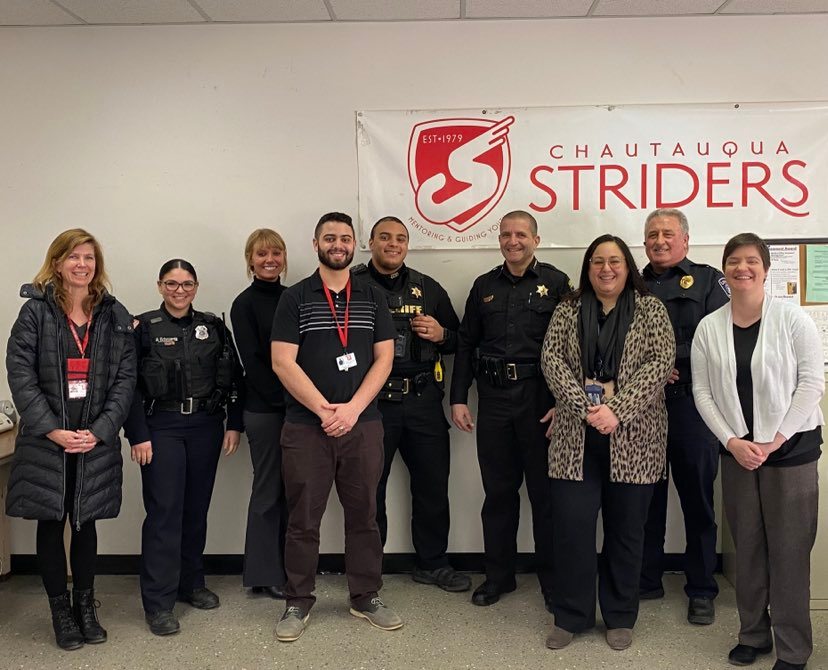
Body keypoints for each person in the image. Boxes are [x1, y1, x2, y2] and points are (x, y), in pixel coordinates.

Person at [691, 233, 823, 670]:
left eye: (751, 261)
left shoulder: (793, 320)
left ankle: (793, 649)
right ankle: (752, 635)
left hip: (791, 452)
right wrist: (732, 441)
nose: (741, 268)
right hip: (738, 453)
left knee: (788, 554)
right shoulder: (710, 326)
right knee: (746, 550)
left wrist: (775, 439)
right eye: (733, 261)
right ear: (724, 270)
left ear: (765, 269)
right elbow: (702, 391)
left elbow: (811, 384)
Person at [540, 234, 674, 652]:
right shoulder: (567, 308)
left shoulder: (650, 308)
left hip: (635, 437)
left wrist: (617, 410)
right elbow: (551, 360)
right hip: (574, 438)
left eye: (614, 261)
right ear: (588, 267)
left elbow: (660, 361)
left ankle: (619, 616)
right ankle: (572, 616)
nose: (606, 269)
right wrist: (586, 408)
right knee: (572, 530)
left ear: (627, 265)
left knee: (626, 532)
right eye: (598, 261)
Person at [271, 212, 400, 642]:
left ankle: (365, 596)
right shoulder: (295, 298)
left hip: (363, 426)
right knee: (303, 518)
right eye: (330, 238)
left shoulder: (372, 296)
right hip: (307, 427)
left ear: (354, 244)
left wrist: (352, 410)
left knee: (364, 515)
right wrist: (326, 412)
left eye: (345, 238)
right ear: (316, 243)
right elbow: (282, 362)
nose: (338, 244)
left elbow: (384, 358)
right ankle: (298, 600)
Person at [5, 229, 137, 650]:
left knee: (86, 521)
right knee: (51, 521)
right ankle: (60, 610)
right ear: (57, 262)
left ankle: (85, 606)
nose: (82, 265)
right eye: (74, 257)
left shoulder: (112, 314)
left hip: (92, 438)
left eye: (89, 258)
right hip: (49, 439)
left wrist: (98, 431)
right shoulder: (35, 313)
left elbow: (125, 379)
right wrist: (52, 429)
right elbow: (20, 374)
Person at [450, 210, 570, 607]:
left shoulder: (557, 284)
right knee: (498, 493)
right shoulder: (484, 285)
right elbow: (467, 343)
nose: (512, 241)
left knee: (545, 495)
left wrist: (562, 403)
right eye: (505, 235)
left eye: (521, 234)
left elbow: (574, 346)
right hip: (495, 399)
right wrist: (458, 396)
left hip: (540, 401)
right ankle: (498, 577)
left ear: (536, 239)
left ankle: (554, 581)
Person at [124, 259, 244, 636]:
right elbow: (127, 386)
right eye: (172, 284)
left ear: (196, 286)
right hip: (161, 427)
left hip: (206, 426)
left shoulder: (212, 325)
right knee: (164, 512)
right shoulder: (142, 329)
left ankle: (190, 583)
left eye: (187, 284)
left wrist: (234, 424)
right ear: (160, 286)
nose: (180, 291)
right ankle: (158, 602)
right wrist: (137, 434)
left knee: (195, 510)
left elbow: (235, 376)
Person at [352, 216, 469, 592]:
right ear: (371, 242)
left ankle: (433, 564)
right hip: (371, 405)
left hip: (422, 400)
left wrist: (442, 333)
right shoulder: (351, 285)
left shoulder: (427, 287)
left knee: (433, 486)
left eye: (400, 239)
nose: (393, 243)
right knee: (369, 489)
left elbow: (460, 342)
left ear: (407, 246)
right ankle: (369, 570)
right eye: (384, 237)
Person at [639, 208, 730, 624]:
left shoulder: (710, 280)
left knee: (697, 498)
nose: (659, 240)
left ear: (686, 240)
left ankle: (701, 588)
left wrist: (670, 359)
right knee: (645, 497)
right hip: (643, 407)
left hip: (693, 403)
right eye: (652, 234)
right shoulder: (631, 282)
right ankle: (647, 578)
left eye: (667, 233)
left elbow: (724, 336)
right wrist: (651, 367)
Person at [230, 229, 289, 599]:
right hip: (266, 410)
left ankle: (286, 567)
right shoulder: (244, 304)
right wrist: (289, 401)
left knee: (295, 491)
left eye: (276, 253)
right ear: (250, 260)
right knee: (269, 490)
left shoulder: (295, 297)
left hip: (299, 407)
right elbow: (253, 362)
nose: (269, 259)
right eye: (261, 254)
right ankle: (264, 574)